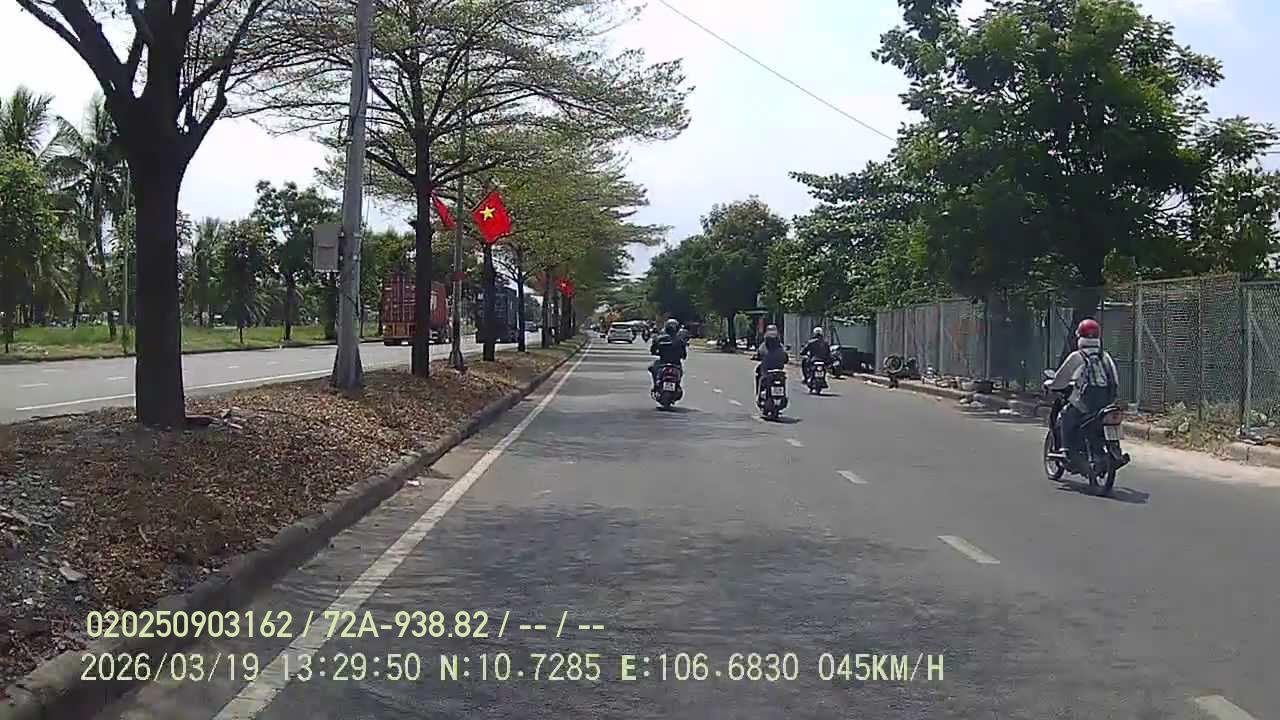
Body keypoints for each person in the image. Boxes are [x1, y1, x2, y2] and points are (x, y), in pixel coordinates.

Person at [1046, 318, 1119, 473]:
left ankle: (1068, 451)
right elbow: (1115, 380)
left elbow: (1061, 379)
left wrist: (1050, 385)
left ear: (1079, 336)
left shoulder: (1077, 356)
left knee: (1066, 414)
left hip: (1085, 404)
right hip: (1105, 404)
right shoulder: (1106, 357)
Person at [650, 319, 688, 388]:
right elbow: (684, 355)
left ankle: (656, 385)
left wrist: (657, 352)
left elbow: (653, 350)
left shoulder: (660, 338)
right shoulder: (680, 340)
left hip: (663, 363)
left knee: (652, 368)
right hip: (676, 364)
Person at [754, 324, 789, 395]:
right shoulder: (780, 346)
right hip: (779, 370)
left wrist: (757, 357)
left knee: (758, 372)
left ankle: (759, 392)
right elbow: (786, 358)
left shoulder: (764, 345)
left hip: (767, 370)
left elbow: (759, 354)